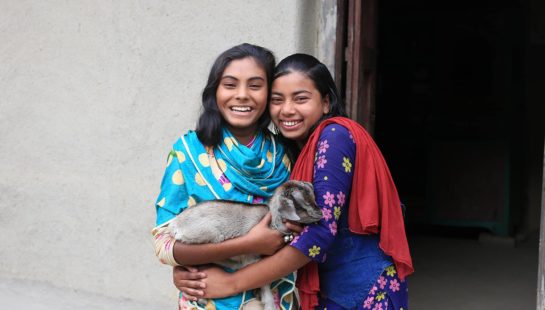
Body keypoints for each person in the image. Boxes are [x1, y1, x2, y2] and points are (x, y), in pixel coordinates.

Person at [175, 54, 415, 310]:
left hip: (363, 293)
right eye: (277, 100)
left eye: (300, 98)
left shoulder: (334, 136)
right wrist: (191, 271)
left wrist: (232, 283)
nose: (287, 110)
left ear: (325, 102)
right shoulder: (287, 153)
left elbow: (319, 233)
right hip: (331, 293)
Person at [152, 43, 297, 310]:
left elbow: (302, 240)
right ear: (214, 92)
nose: (242, 95)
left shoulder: (284, 156)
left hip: (273, 298)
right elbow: (164, 245)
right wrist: (247, 244)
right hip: (209, 300)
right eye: (230, 85)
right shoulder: (187, 153)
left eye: (255, 85)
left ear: (269, 94)